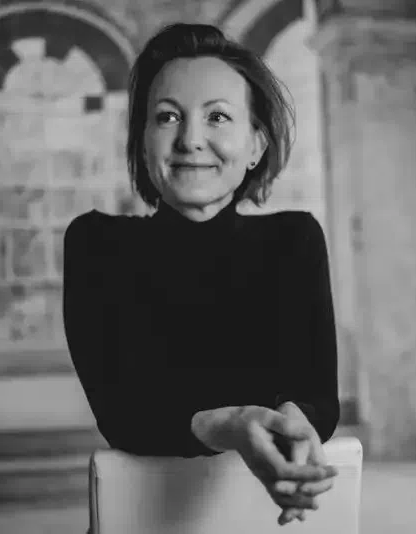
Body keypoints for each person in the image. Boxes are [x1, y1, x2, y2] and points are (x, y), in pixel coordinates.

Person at [63, 23, 340, 527]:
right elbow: (123, 414)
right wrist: (231, 423)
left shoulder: (294, 241)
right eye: (167, 116)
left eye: (218, 116)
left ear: (255, 144)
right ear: (142, 142)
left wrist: (296, 426)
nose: (190, 140)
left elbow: (317, 395)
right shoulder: (96, 245)